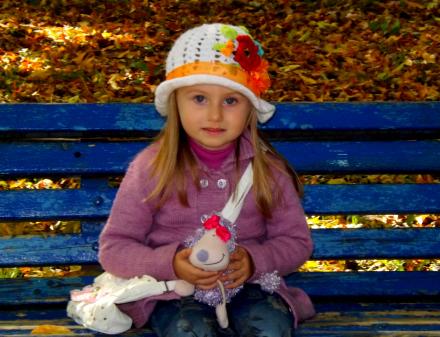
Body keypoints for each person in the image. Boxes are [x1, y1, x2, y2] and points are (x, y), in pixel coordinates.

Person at [99, 23, 315, 337]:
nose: (214, 116)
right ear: (176, 103)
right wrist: (170, 263)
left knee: (269, 327)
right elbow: (115, 248)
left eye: (230, 101)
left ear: (249, 110)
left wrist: (254, 262)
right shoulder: (151, 168)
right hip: (174, 293)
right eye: (199, 98)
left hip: (251, 289)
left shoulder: (268, 171)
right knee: (190, 331)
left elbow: (296, 243)